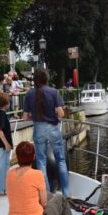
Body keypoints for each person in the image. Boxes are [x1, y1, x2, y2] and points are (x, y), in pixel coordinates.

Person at [7, 141, 86, 215]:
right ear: (33, 156)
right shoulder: (37, 174)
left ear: (17, 157)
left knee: (50, 195)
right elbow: (44, 202)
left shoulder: (10, 174)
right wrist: (44, 207)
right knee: (61, 198)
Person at [23, 68, 70, 197]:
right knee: (60, 160)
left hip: (39, 128)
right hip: (53, 128)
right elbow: (60, 113)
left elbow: (25, 117)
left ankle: (47, 194)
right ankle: (66, 193)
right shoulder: (54, 92)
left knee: (41, 162)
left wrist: (35, 115)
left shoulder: (29, 94)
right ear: (46, 78)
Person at [0, 93, 13, 196]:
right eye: (9, 101)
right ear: (6, 103)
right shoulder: (2, 115)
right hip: (4, 146)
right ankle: (2, 189)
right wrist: (6, 144)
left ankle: (3, 188)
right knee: (3, 167)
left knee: (4, 166)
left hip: (1, 146)